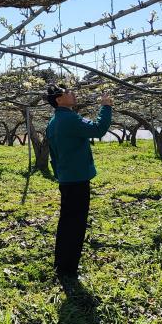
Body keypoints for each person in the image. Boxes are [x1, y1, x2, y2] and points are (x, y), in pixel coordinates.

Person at [45, 85, 113, 280]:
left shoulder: (54, 121)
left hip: (67, 178)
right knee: (76, 225)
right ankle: (68, 270)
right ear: (58, 99)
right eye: (67, 92)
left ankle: (61, 265)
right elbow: (98, 129)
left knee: (66, 222)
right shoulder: (68, 118)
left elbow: (54, 154)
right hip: (76, 179)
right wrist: (106, 107)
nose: (73, 94)